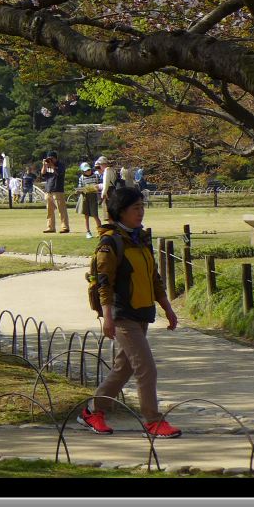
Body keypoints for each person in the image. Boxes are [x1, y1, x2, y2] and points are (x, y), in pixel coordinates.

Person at [77, 184, 183, 438]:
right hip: (123, 314)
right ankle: (153, 420)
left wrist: (168, 308)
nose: (141, 212)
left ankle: (93, 411)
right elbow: (104, 281)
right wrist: (108, 316)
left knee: (123, 369)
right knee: (146, 367)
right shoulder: (110, 242)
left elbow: (154, 278)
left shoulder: (140, 238)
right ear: (121, 211)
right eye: (136, 208)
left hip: (142, 312)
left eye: (142, 207)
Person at [41, 150, 69, 234]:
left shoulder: (60, 165)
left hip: (58, 190)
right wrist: (44, 165)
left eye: (52, 158)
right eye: (49, 158)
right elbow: (43, 174)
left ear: (55, 158)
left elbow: (59, 173)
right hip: (48, 190)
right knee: (49, 211)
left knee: (61, 210)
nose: (50, 160)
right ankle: (50, 227)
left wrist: (53, 166)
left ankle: (65, 227)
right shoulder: (47, 165)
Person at [75, 161, 102, 238]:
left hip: (93, 197)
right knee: (86, 216)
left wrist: (97, 189)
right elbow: (80, 187)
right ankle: (88, 232)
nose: (88, 171)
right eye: (86, 170)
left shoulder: (96, 176)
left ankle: (100, 231)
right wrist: (79, 190)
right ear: (83, 171)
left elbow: (100, 185)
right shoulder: (81, 178)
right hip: (85, 197)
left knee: (95, 215)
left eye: (89, 170)